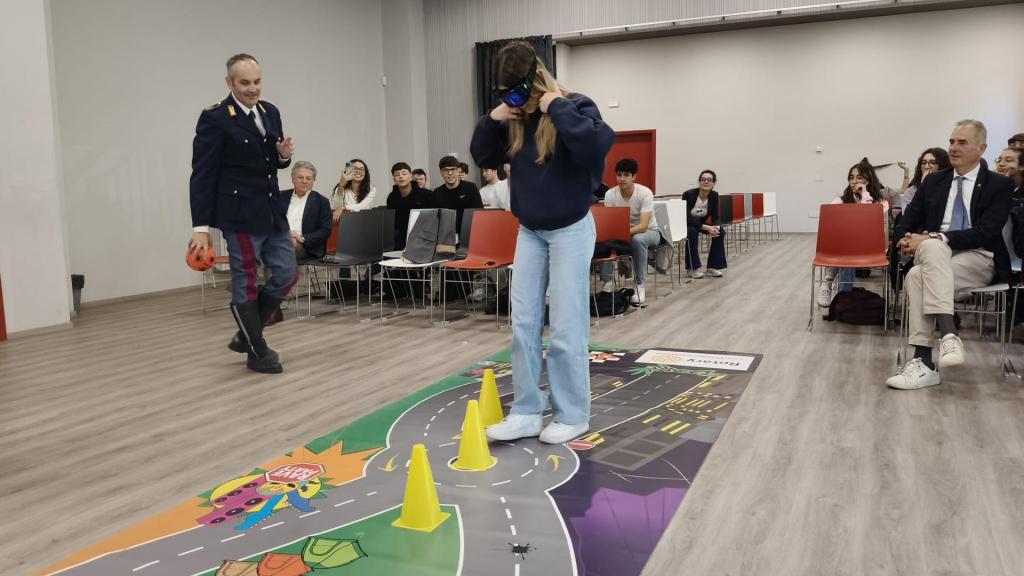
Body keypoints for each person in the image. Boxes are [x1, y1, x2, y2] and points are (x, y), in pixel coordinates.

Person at [471, 41, 614, 444]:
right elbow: (482, 156)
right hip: (530, 231)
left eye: (520, 94)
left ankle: (573, 414)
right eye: (506, 96)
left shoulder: (575, 105)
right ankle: (527, 411)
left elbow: (598, 146)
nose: (517, 103)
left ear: (537, 80)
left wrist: (557, 107)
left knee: (566, 327)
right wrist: (493, 118)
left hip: (571, 229)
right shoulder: (514, 118)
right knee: (524, 325)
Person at [189, 53, 296, 374]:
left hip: (272, 211)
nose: (253, 89)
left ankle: (247, 333)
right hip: (239, 214)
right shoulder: (215, 118)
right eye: (245, 82)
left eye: (257, 81)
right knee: (245, 278)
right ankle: (257, 351)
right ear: (230, 83)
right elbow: (202, 174)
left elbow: (270, 162)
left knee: (288, 273)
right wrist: (200, 227)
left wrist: (283, 157)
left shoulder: (271, 112)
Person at [887, 119, 1013, 390]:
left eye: (962, 142)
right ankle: (949, 336)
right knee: (932, 251)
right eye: (952, 141)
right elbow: (905, 222)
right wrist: (905, 239)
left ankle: (924, 362)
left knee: (917, 276)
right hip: (932, 254)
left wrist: (935, 237)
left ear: (981, 148)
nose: (954, 147)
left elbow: (986, 232)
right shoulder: (935, 181)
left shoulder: (998, 185)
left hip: (978, 256)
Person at [817, 159, 890, 308]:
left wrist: (864, 194)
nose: (854, 181)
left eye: (859, 177)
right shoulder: (840, 201)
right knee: (845, 244)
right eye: (851, 177)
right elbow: (830, 226)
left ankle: (835, 289)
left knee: (847, 245)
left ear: (868, 180)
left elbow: (867, 220)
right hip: (845, 247)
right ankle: (833, 289)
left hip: (871, 247)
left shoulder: (881, 203)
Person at [600, 158, 661, 305]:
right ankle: (608, 282)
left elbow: (643, 226)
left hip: (650, 232)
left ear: (634, 177)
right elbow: (610, 223)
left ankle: (639, 285)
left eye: (626, 175)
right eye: (619, 174)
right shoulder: (610, 194)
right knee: (603, 240)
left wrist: (622, 233)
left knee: (638, 239)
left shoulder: (645, 193)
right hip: (623, 233)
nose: (622, 178)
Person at [282, 161, 332, 261]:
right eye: (300, 177)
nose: (304, 181)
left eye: (308, 178)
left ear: (313, 180)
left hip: (305, 246)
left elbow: (325, 230)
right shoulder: (280, 196)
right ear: (293, 178)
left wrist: (301, 238)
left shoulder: (321, 201)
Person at [681, 170, 726, 279]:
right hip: (686, 223)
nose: (706, 182)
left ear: (713, 183)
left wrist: (716, 226)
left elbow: (715, 215)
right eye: (703, 179)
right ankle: (691, 269)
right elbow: (686, 217)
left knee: (720, 231)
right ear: (699, 181)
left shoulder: (714, 195)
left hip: (700, 223)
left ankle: (712, 267)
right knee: (692, 232)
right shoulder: (688, 194)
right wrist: (706, 227)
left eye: (709, 180)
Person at [385, 162, 431, 249]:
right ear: (394, 179)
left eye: (404, 173)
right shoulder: (392, 197)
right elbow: (391, 223)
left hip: (423, 240)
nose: (401, 176)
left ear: (410, 176)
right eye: (397, 174)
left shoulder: (426, 195)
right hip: (399, 242)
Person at [432, 155, 483, 233]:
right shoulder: (437, 192)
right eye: (446, 170)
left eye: (453, 169)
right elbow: (435, 220)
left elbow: (479, 213)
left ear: (458, 171)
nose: (450, 173)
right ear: (441, 172)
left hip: (469, 232)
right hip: (446, 235)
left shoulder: (470, 188)